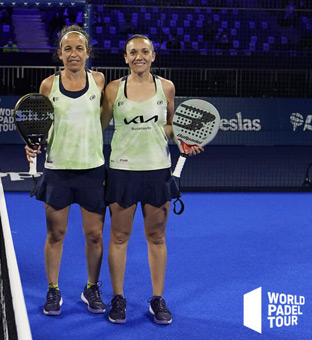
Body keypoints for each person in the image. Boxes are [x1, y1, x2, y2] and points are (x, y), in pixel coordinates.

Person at [100, 34, 203, 325]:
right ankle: (118, 298)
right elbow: (99, 127)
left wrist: (182, 139)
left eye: (144, 51)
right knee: (119, 237)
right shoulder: (113, 90)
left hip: (158, 171)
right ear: (125, 57)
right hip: (122, 171)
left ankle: (157, 299)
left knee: (156, 237)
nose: (139, 56)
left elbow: (169, 125)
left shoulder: (166, 88)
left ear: (153, 56)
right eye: (133, 52)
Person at [25, 25, 107, 316]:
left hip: (92, 170)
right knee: (55, 234)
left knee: (94, 235)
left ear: (87, 53)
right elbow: (40, 126)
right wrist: (36, 143)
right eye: (68, 49)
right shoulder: (48, 85)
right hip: (58, 170)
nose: (74, 54)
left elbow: (105, 119)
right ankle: (53, 289)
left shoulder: (99, 81)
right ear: (59, 54)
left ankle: (91, 287)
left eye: (79, 48)